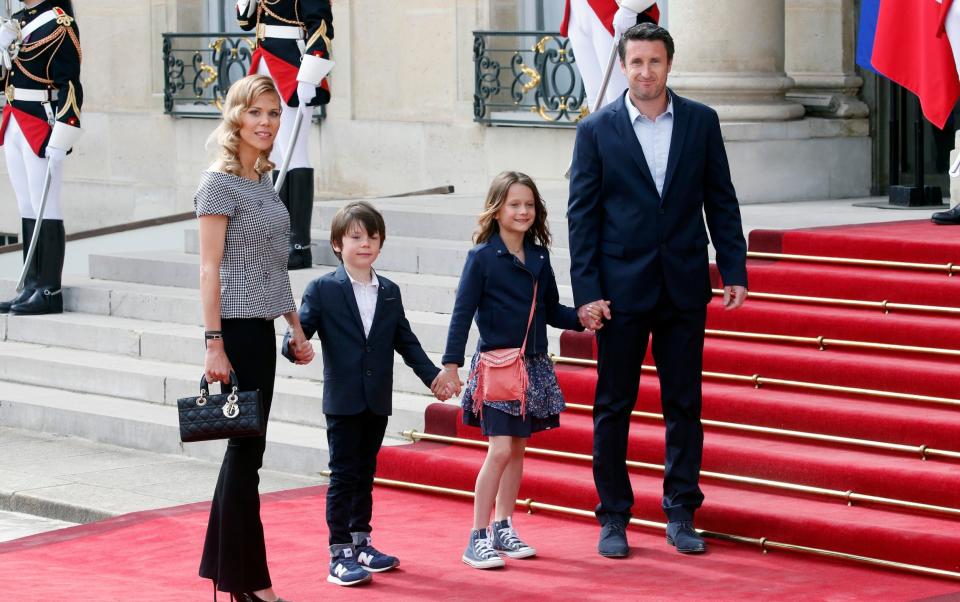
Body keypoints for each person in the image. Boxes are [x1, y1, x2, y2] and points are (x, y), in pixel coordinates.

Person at [567, 23, 748, 558]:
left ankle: (681, 511)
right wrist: (587, 294)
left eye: (655, 62)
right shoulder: (596, 130)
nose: (646, 72)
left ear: (670, 64)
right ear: (623, 66)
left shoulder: (701, 122)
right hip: (620, 292)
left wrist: (733, 268)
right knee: (613, 405)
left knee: (684, 404)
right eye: (636, 62)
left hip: (685, 286)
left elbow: (721, 199)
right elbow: (583, 219)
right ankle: (613, 518)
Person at [281, 200, 456, 586]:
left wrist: (435, 379)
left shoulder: (389, 291)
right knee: (344, 475)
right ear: (338, 244)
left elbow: (405, 342)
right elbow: (300, 334)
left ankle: (362, 541)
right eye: (356, 236)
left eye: (373, 237)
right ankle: (339, 551)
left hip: (377, 399)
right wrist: (295, 348)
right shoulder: (323, 289)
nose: (365, 243)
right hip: (343, 401)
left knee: (365, 472)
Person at [442, 171, 599, 569]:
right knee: (498, 450)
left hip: (532, 368)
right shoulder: (481, 257)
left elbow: (550, 310)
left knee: (517, 450)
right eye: (514, 204)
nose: (523, 211)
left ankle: (503, 526)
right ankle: (476, 536)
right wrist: (451, 365)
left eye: (529, 204)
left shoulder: (540, 256)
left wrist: (583, 317)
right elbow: (461, 314)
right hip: (496, 368)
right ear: (496, 210)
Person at [195, 74, 313, 602]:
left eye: (273, 114)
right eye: (256, 113)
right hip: (235, 334)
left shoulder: (263, 183)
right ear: (236, 118)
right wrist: (213, 343)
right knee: (245, 456)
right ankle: (251, 584)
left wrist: (294, 323)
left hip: (261, 331)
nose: (266, 123)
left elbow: (272, 266)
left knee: (248, 454)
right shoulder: (218, 184)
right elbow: (208, 268)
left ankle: (228, 575)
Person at [237, 0, 334, 269]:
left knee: (296, 152)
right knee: (277, 155)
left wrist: (310, 75)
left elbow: (321, 26)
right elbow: (246, 23)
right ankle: (282, 239)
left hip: (293, 67)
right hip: (264, 62)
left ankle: (299, 245)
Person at [0, 0, 82, 315]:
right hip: (14, 118)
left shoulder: (58, 23)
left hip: (41, 122)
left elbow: (71, 84)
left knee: (45, 203)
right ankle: (30, 285)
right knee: (25, 203)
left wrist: (64, 133)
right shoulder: (19, 20)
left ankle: (50, 290)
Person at [561, 0, 659, 110]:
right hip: (578, 9)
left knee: (622, 98)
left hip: (614, 9)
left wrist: (630, 7)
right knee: (596, 100)